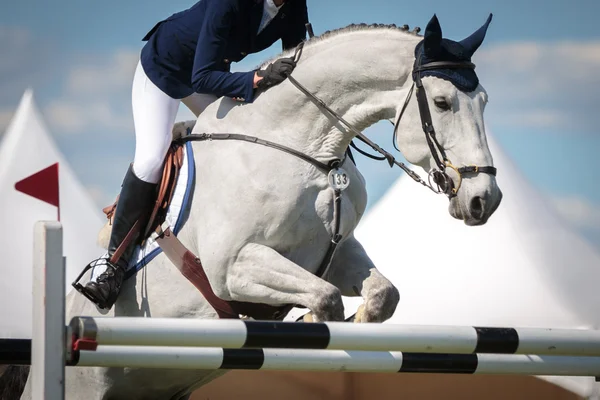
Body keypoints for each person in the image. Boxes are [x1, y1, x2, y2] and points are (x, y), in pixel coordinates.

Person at [77, 0, 310, 310]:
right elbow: (202, 77)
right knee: (150, 158)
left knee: (250, 140)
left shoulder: (294, 5)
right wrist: (255, 79)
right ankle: (111, 266)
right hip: (165, 69)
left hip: (211, 73)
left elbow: (296, 58)